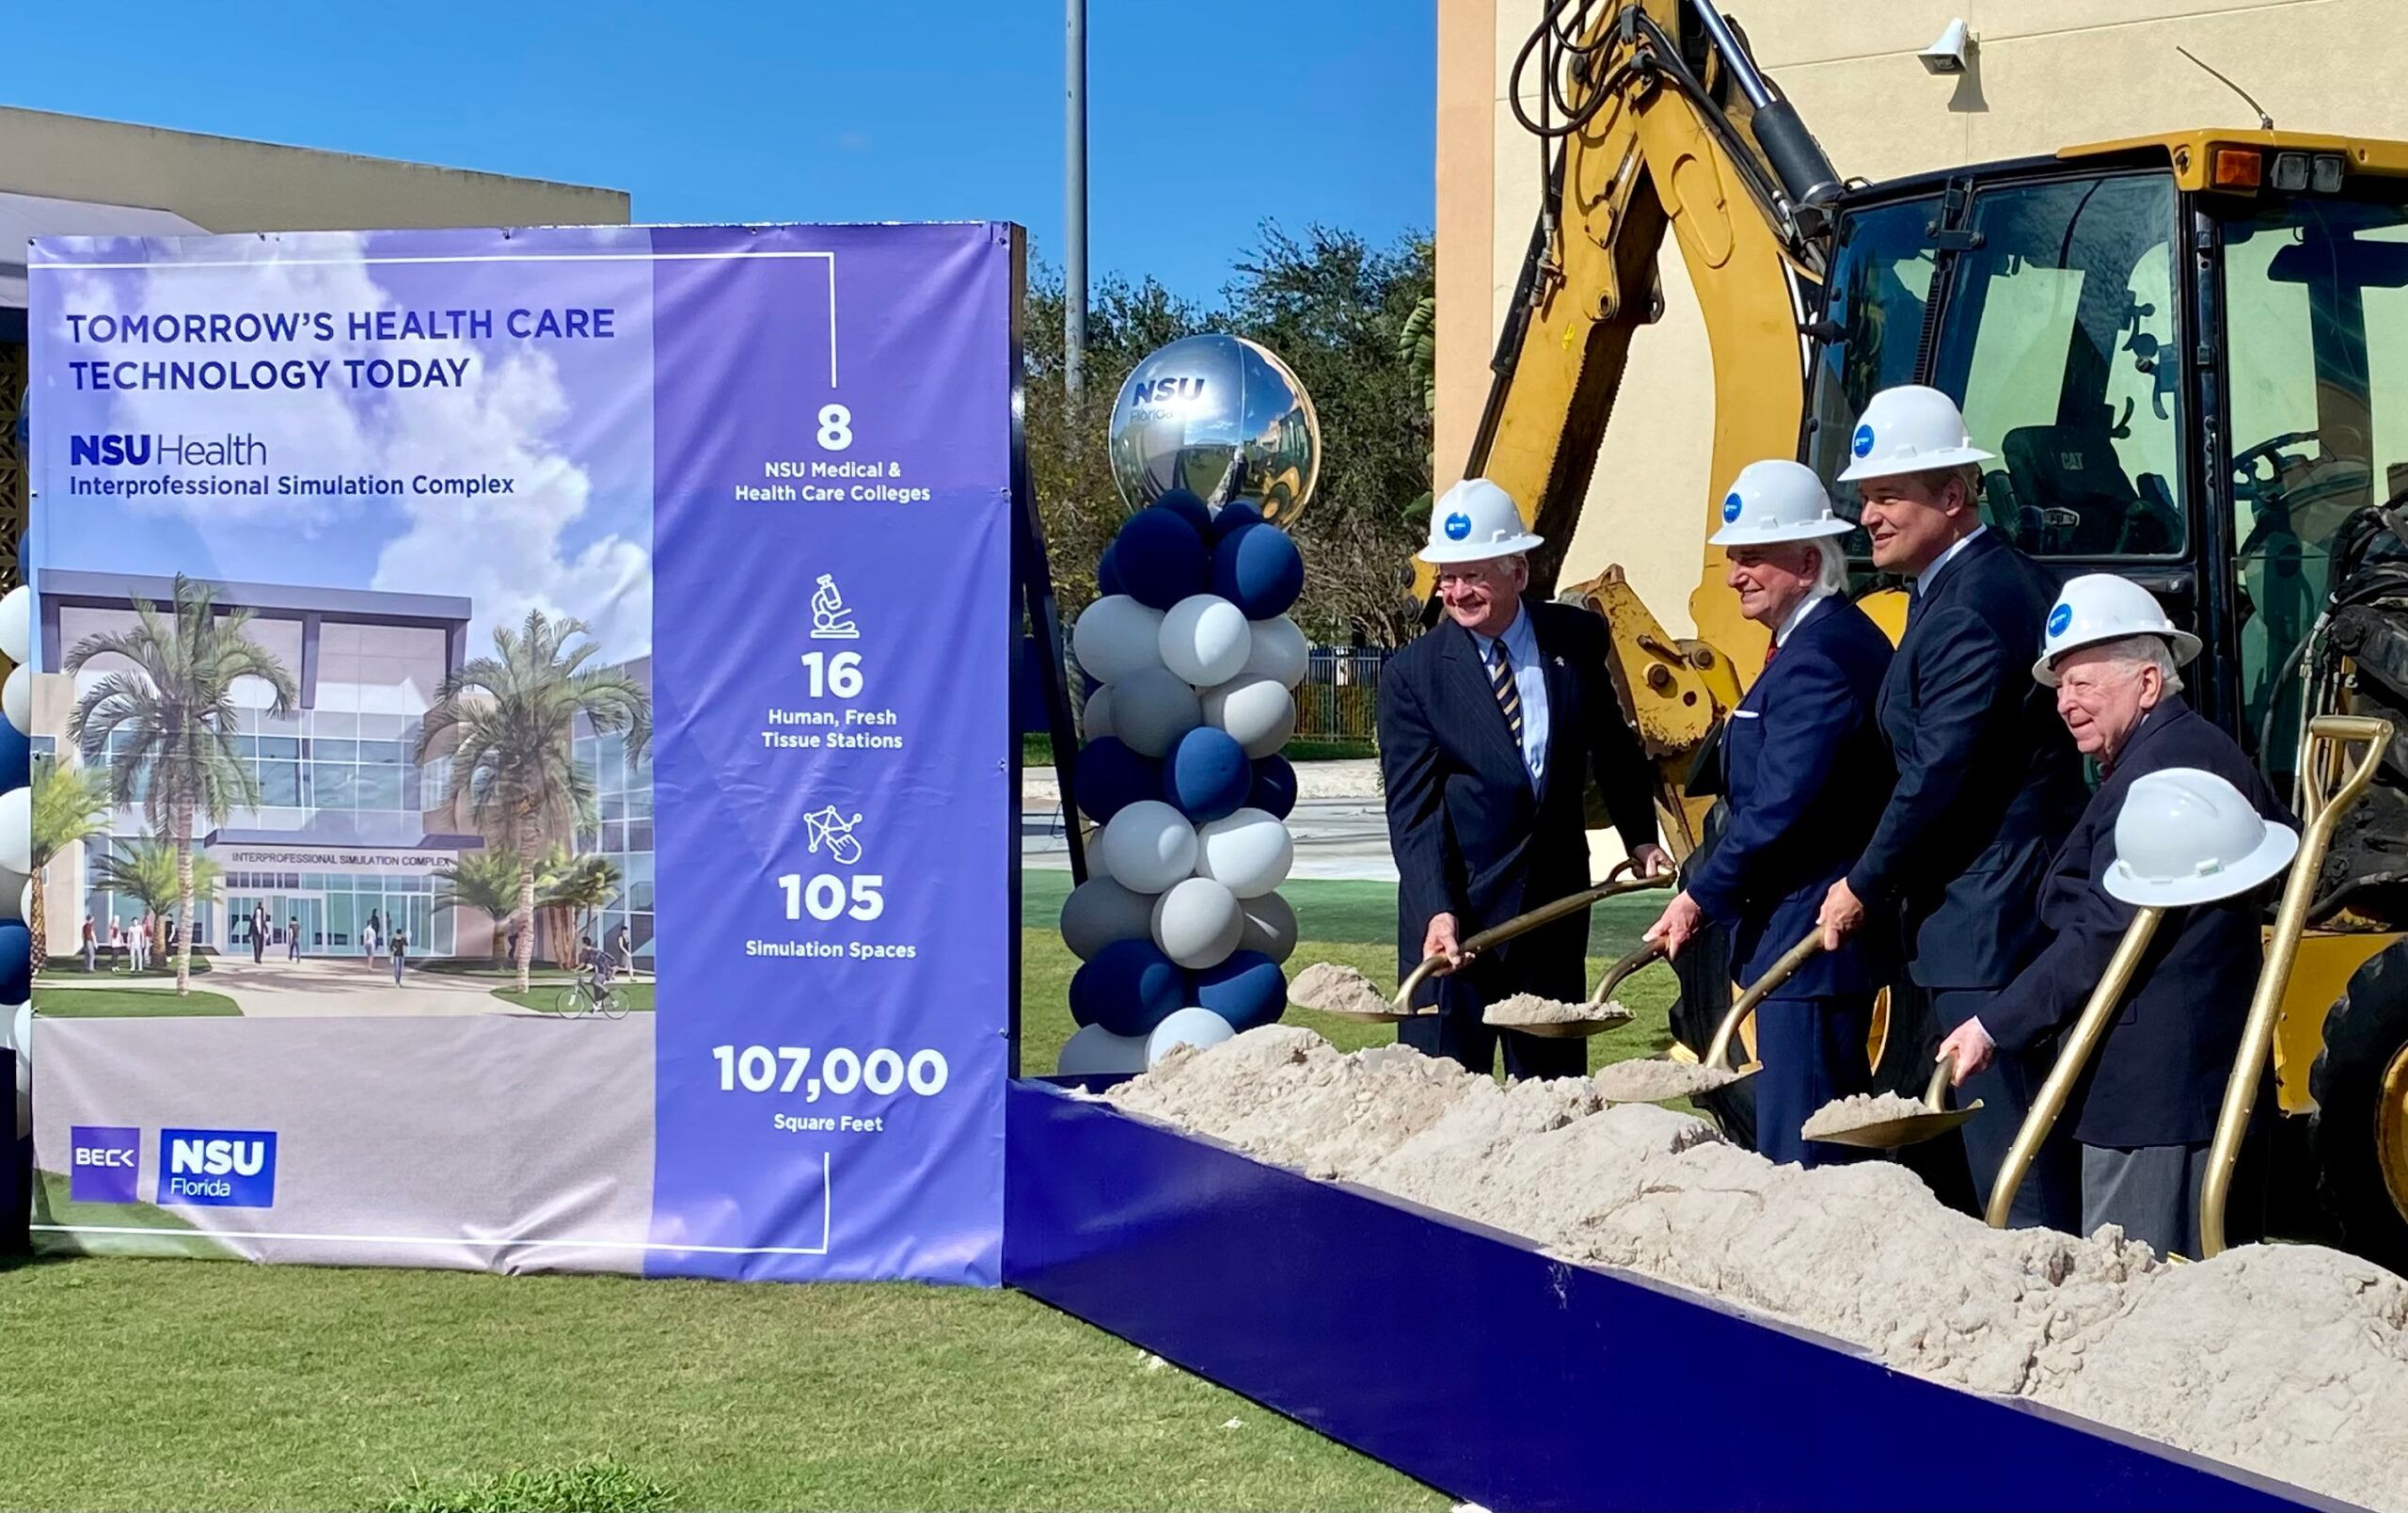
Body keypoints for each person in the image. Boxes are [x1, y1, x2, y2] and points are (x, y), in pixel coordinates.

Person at [1936, 578, 2297, 1257]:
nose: (2066, 703)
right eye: (2060, 686)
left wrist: (1994, 1024)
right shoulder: (2192, 750)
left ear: (2150, 683)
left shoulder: (2164, 774)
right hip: (2188, 1082)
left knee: (2138, 1281)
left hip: (2154, 1095)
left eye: (2084, 684)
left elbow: (2106, 934)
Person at [1815, 385, 2088, 1228]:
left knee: (2015, 1159)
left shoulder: (1973, 605)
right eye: (1865, 497)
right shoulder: (1963, 587)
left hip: (1991, 914)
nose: (1869, 517)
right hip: (1989, 904)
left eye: (1888, 495)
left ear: (1953, 495)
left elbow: (1943, 772)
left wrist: (1863, 881)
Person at [1644, 461, 1896, 1167]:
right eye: (1733, 557)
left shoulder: (1821, 657)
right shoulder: (1813, 646)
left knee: (1806, 1150)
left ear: (1809, 561)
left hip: (1807, 943)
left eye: (1752, 556)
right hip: (1797, 937)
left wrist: (1698, 896)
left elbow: (1781, 805)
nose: (1735, 574)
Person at [1379, 477, 1671, 1081]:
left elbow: (1614, 746)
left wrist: (1641, 836)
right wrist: (1437, 910)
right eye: (1447, 576)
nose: (1457, 592)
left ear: (1519, 568)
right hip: (1455, 926)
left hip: (1552, 917)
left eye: (1474, 575)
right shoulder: (1414, 675)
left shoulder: (1577, 637)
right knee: (1442, 1100)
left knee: (1551, 1099)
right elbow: (1414, 811)